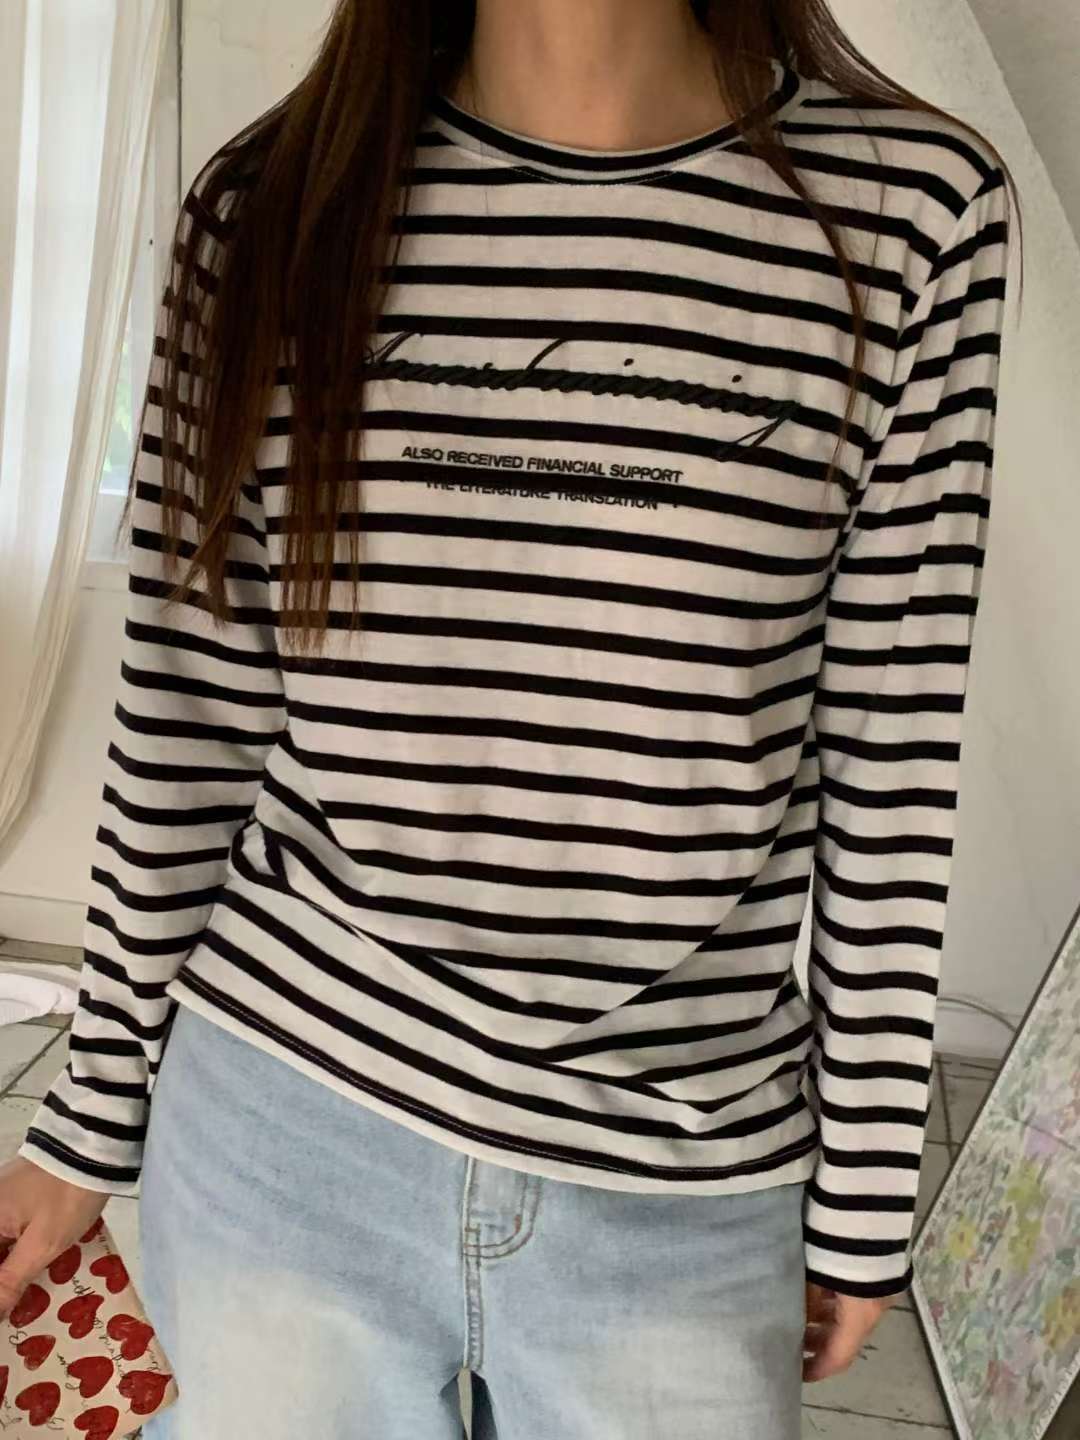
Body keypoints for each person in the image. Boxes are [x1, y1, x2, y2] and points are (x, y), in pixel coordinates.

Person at [0, 2, 1018, 1436]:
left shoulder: (914, 217)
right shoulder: (269, 208)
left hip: (677, 1178)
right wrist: (93, 1109)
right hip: (283, 1128)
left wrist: (863, 1190)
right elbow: (188, 722)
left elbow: (890, 748)